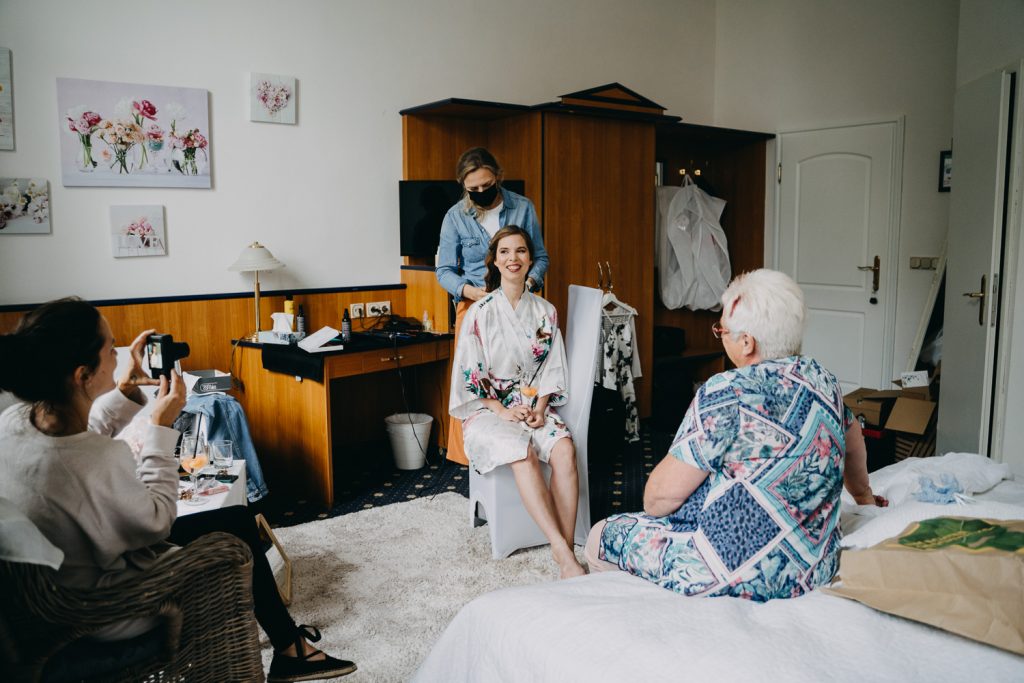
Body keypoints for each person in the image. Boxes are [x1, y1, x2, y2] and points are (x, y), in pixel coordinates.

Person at [0, 298, 356, 682]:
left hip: (57, 588)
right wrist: (160, 428)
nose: (119, 357)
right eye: (112, 348)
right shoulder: (96, 460)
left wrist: (124, 390)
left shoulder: (15, 423)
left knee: (235, 517)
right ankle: (290, 650)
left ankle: (289, 647)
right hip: (110, 608)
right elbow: (157, 521)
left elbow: (78, 440)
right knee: (234, 538)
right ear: (82, 375)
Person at [585, 269, 888, 600]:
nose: (720, 336)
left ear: (747, 342)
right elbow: (853, 442)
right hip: (813, 569)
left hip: (731, 575)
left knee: (601, 535)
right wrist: (864, 497)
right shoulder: (824, 380)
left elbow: (659, 500)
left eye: (722, 330)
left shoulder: (726, 391)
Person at [450, 227, 584, 578]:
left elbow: (551, 366)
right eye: (505, 252)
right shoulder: (480, 312)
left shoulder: (545, 311)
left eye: (521, 251)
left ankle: (567, 545)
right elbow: (470, 374)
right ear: (495, 261)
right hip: (489, 410)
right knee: (522, 451)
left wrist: (539, 408)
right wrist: (502, 410)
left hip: (531, 404)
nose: (513, 258)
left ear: (530, 259)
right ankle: (561, 550)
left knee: (565, 450)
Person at [436, 147, 549, 466]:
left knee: (520, 374)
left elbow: (540, 257)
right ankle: (469, 459)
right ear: (464, 186)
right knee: (473, 380)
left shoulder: (523, 207)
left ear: (498, 177)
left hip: (519, 304)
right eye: (474, 189)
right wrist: (474, 294)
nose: (482, 192)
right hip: (475, 305)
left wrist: (527, 286)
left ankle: (523, 447)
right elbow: (444, 271)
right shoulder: (455, 216)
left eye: (487, 185)